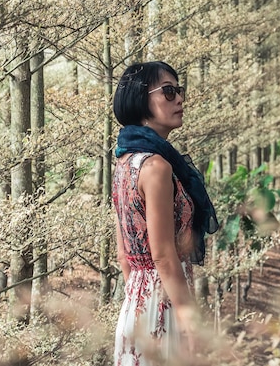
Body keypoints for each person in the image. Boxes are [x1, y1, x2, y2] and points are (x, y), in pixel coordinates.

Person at [112, 61, 219, 364]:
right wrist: (188, 320)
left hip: (136, 306)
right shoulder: (157, 167)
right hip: (165, 306)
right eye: (168, 92)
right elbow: (162, 255)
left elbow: (124, 255)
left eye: (179, 90)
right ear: (139, 99)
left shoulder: (123, 163)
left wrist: (140, 303)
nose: (180, 99)